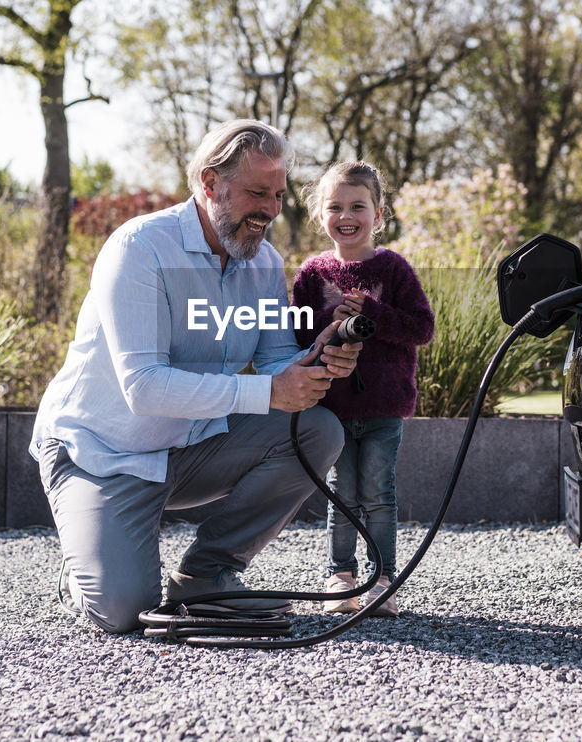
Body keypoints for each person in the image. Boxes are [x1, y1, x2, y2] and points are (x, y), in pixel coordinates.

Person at [30, 119, 362, 634]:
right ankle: (82, 567)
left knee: (318, 429)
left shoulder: (264, 264)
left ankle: (206, 575)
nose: (271, 211)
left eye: (277, 196)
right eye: (257, 193)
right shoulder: (139, 249)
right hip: (101, 453)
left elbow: (276, 363)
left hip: (188, 447)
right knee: (122, 612)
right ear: (210, 184)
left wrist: (319, 359)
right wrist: (271, 390)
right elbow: (142, 387)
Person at [292, 160, 434, 617]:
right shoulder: (313, 274)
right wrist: (327, 322)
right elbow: (296, 334)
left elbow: (421, 328)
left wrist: (372, 313)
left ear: (378, 213)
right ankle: (341, 575)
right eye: (335, 206)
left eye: (358, 205)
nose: (346, 215)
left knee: (378, 491)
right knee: (341, 490)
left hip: (383, 406)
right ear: (320, 215)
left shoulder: (392, 269)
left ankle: (383, 577)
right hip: (331, 405)